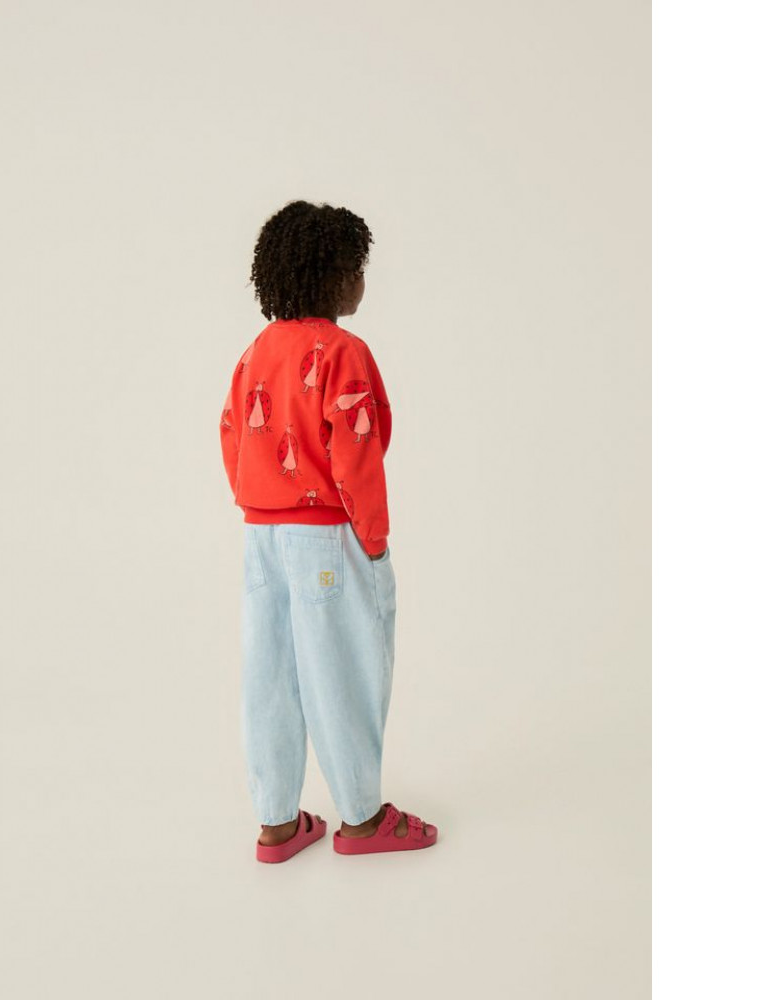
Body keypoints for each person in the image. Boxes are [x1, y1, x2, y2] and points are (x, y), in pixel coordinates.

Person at [219, 199, 438, 861]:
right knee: (342, 671)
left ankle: (277, 824)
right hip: (327, 537)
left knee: (270, 675)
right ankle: (363, 820)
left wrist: (259, 500)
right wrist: (373, 538)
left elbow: (231, 433)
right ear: (338, 278)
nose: (362, 281)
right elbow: (356, 453)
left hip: (261, 537)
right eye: (357, 269)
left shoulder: (256, 351)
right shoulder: (343, 351)